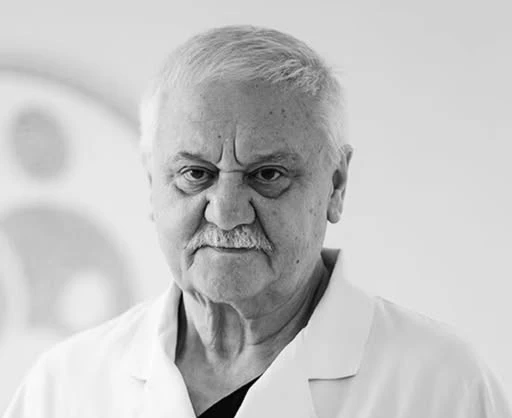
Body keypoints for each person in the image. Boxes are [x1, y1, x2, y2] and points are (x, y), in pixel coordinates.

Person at [3, 25, 511, 418]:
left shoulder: (441, 386)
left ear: (336, 185)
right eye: (196, 174)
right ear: (153, 183)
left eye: (267, 175)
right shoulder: (66, 387)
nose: (226, 212)